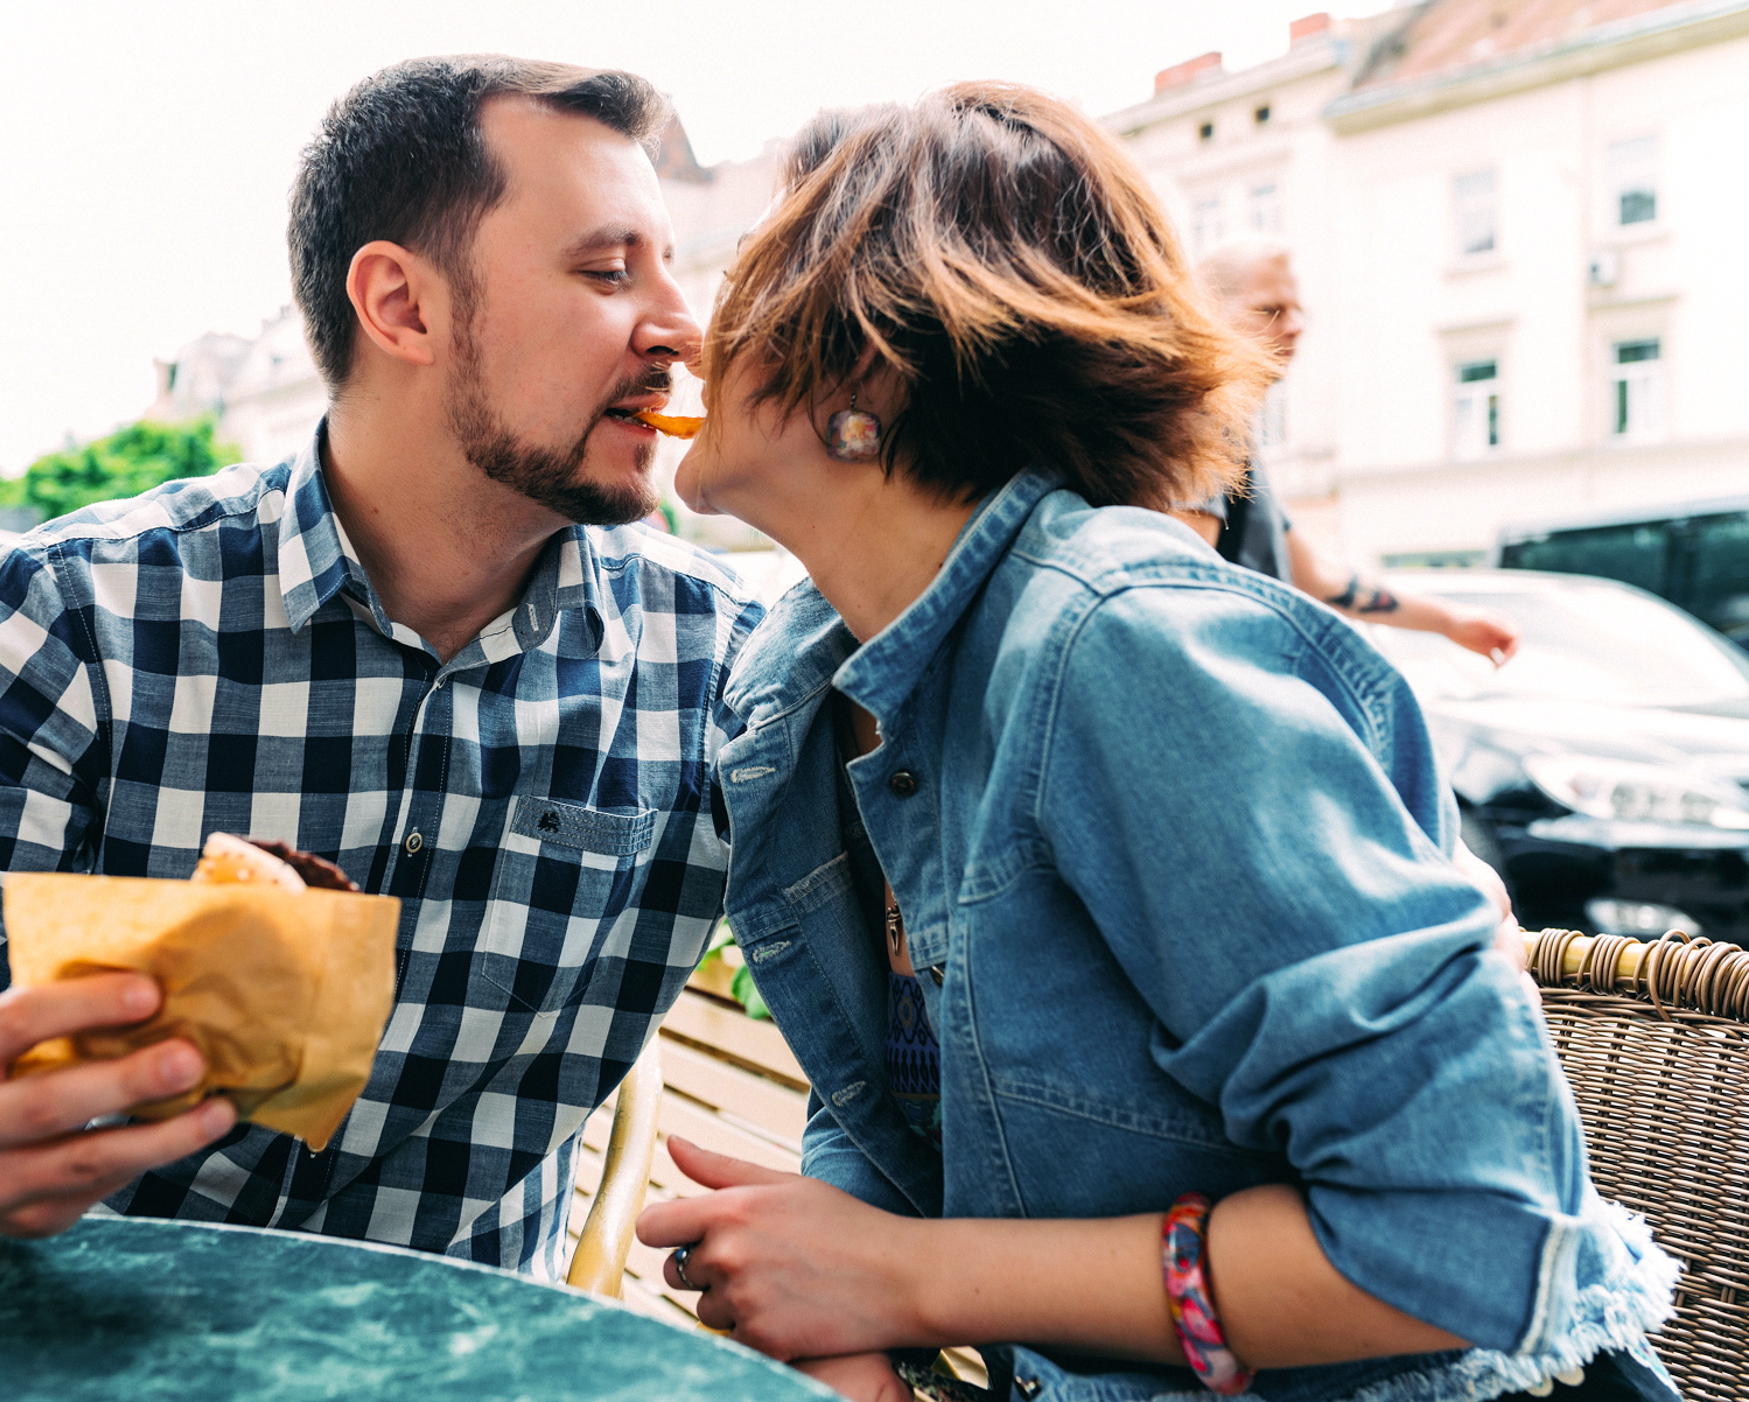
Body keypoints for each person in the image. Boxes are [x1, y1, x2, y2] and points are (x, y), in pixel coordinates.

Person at [635, 87, 1676, 1402]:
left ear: (868, 372)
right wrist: (846, 1328)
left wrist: (906, 1277)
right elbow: (889, 1082)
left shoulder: (1115, 641)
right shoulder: (806, 674)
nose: (681, 326)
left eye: (745, 275)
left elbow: (1468, 1227)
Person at [0, 56, 762, 1278]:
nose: (683, 326)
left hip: (452, 1358)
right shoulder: (72, 615)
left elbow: (917, 1048)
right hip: (79, 1333)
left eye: (668, 269)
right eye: (605, 270)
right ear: (402, 306)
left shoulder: (724, 674)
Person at [1174, 241, 1520, 666]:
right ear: (1203, 314)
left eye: (1298, 311)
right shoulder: (1202, 417)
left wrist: (1449, 620)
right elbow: (1181, 586)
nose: (1296, 326)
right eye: (1270, 310)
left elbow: (1319, 578)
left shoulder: (1230, 429)